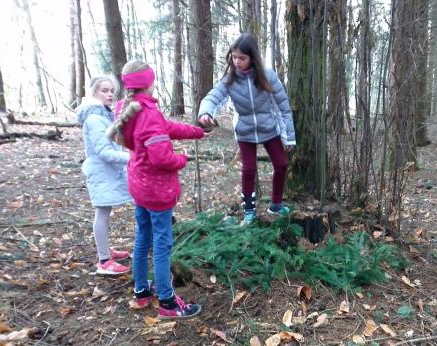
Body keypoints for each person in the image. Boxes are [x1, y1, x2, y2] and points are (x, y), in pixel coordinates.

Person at [107, 60, 204, 319]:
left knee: (143, 239)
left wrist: (197, 132)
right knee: (162, 246)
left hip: (140, 187)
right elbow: (162, 158)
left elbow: (167, 128)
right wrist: (182, 160)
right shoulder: (148, 113)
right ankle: (167, 301)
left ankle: (141, 291)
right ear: (149, 82)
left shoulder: (129, 109)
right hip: (156, 191)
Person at [198, 33, 296, 223]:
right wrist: (206, 112)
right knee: (249, 169)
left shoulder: (268, 76)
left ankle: (276, 204)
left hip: (269, 128)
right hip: (245, 130)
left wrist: (289, 137)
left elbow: (283, 106)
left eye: (242, 58)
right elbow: (213, 96)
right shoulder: (230, 78)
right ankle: (249, 210)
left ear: (252, 57)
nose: (237, 61)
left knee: (282, 164)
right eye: (234, 57)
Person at [76, 75, 132, 276]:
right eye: (104, 91)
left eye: (111, 91)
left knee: (104, 213)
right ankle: (104, 261)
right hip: (101, 172)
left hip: (106, 172)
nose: (110, 95)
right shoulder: (94, 118)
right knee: (101, 214)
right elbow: (104, 152)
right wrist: (131, 158)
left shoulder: (103, 115)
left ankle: (105, 251)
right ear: (93, 92)